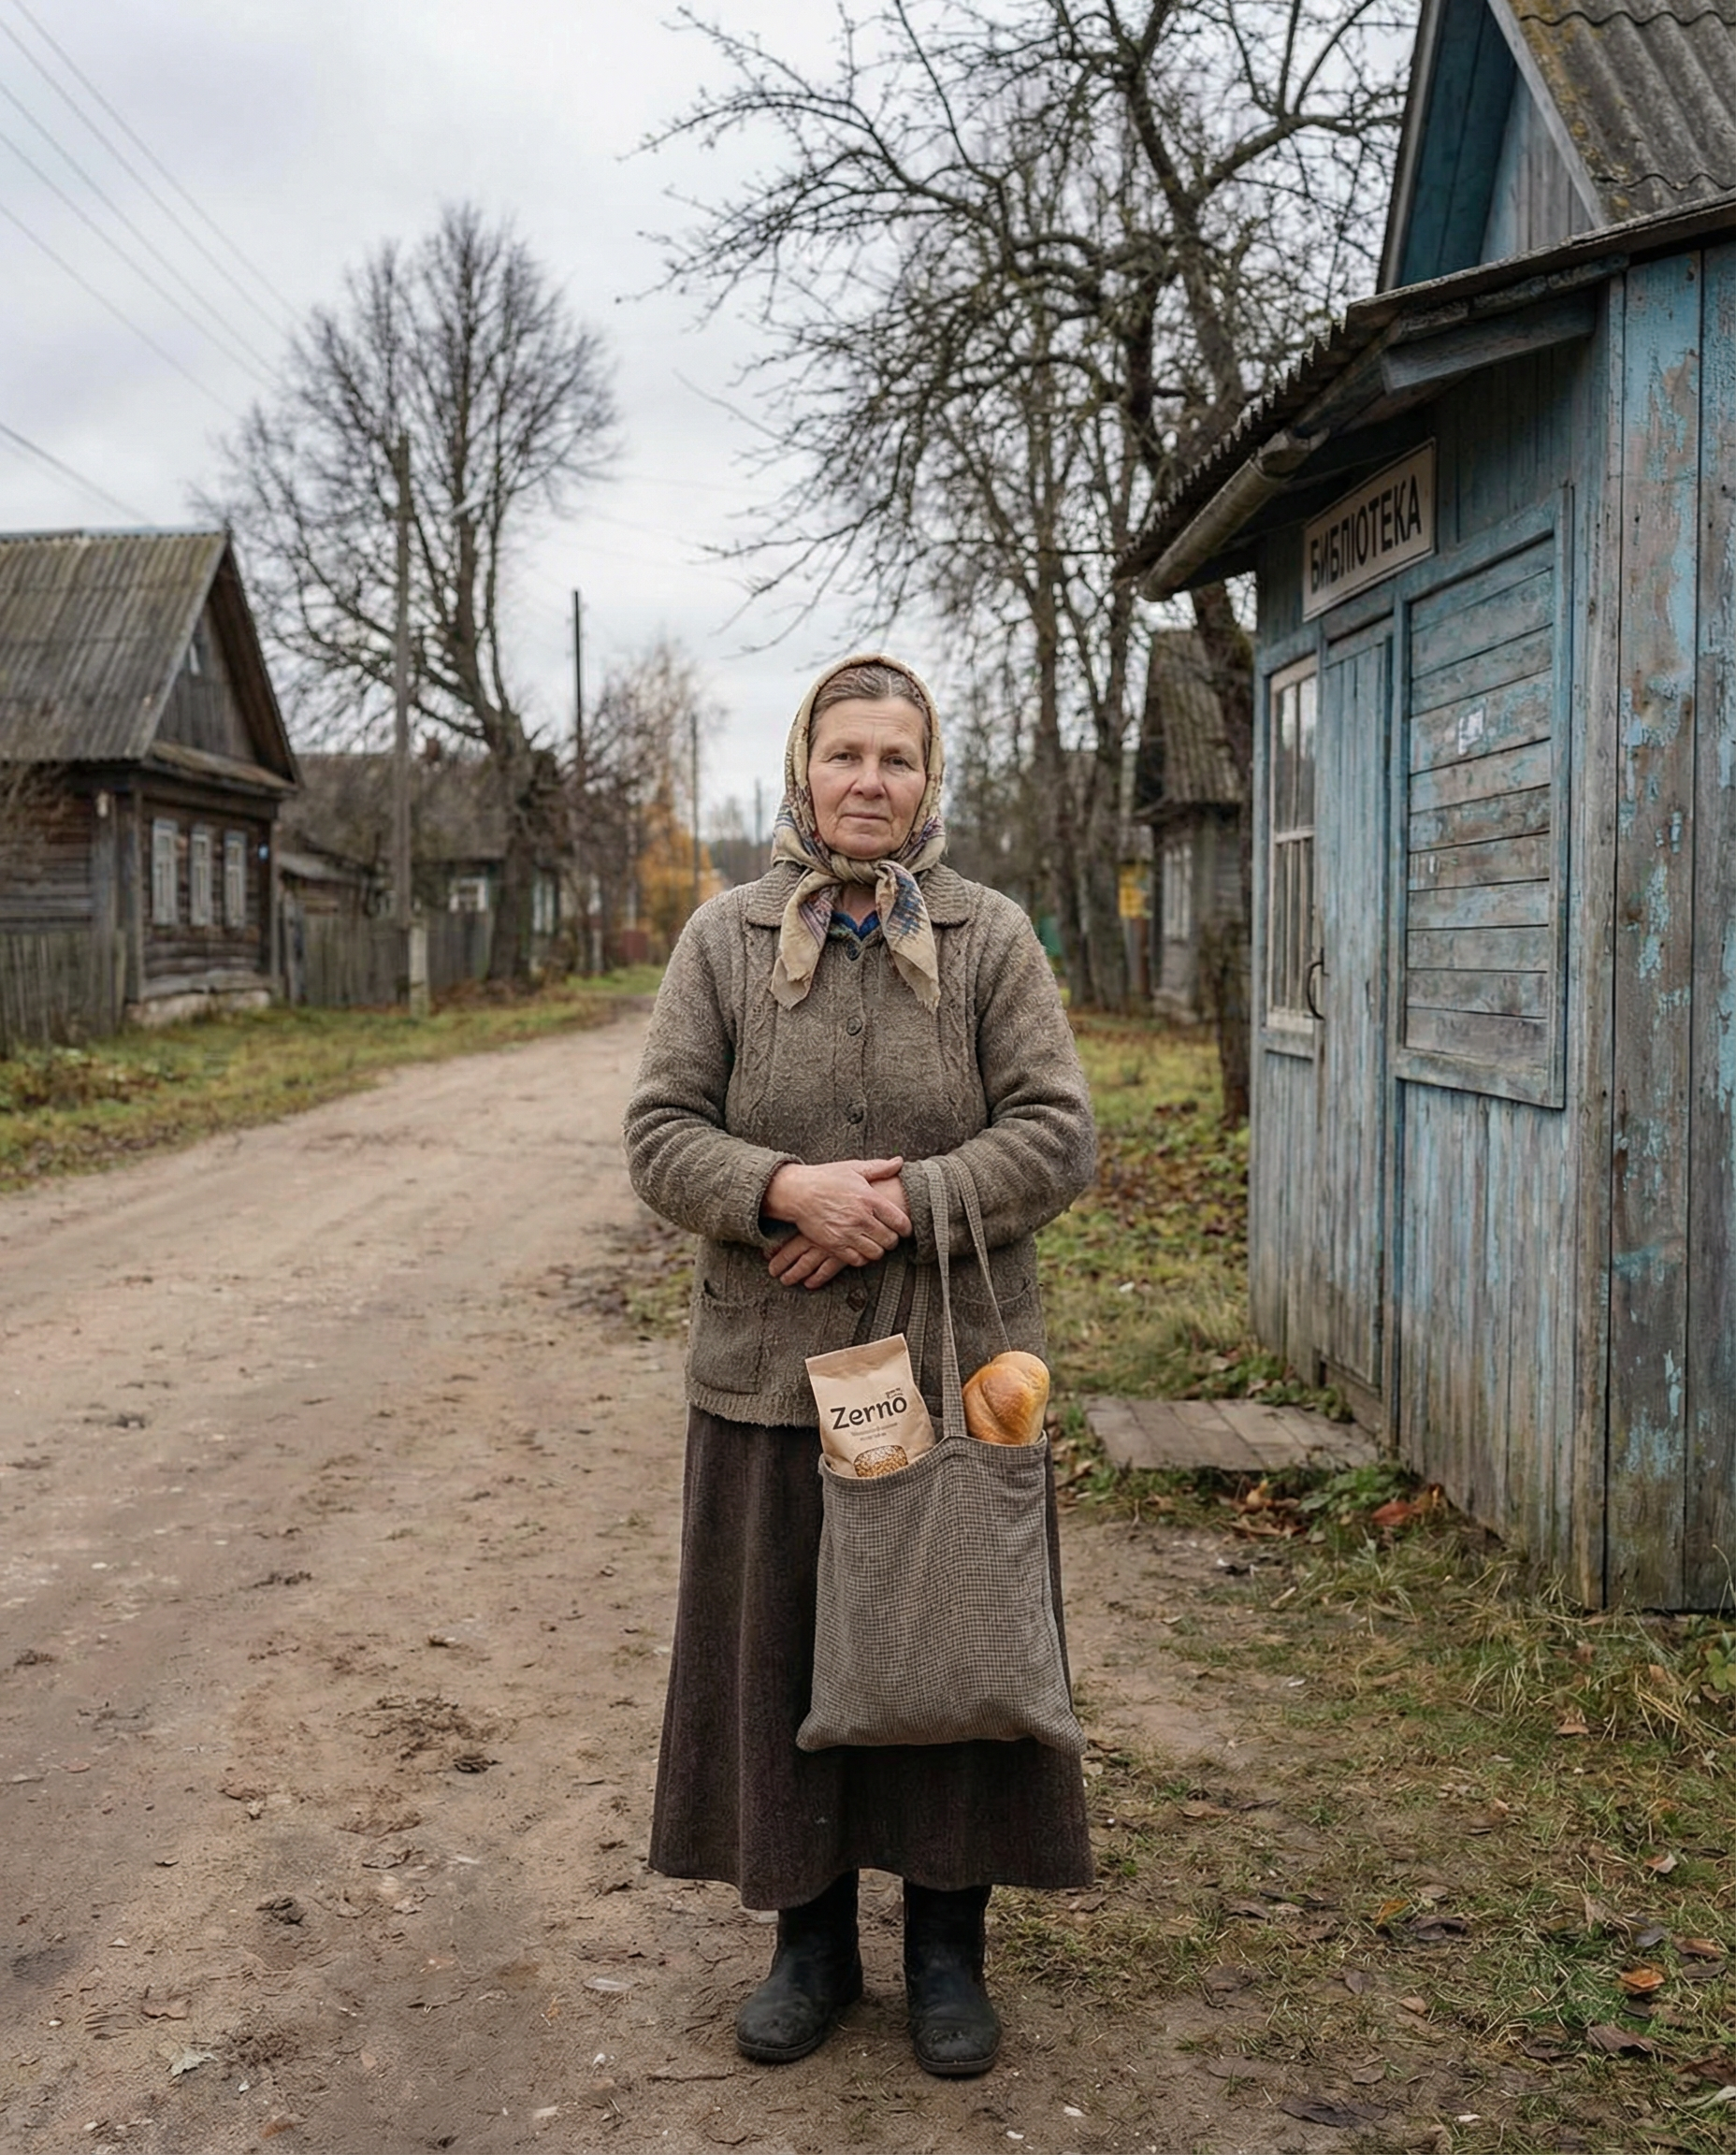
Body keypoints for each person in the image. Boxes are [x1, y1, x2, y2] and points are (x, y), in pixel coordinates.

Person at [623, 654, 1096, 2078]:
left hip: (955, 1373)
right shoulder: (725, 938)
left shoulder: (989, 936)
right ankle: (809, 1947)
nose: (870, 783)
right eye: (847, 756)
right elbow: (658, 1132)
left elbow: (1056, 1131)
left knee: (947, 1649)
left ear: (929, 779)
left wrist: (886, 1206)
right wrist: (781, 1190)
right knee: (783, 1660)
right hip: (771, 1380)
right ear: (802, 769)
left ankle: (949, 1951)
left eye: (898, 759)